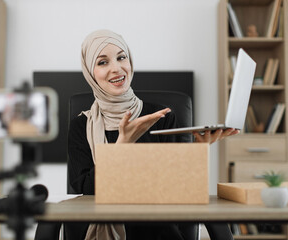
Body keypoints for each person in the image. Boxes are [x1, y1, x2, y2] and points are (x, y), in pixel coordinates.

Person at [67, 29, 238, 240]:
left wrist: (198, 150)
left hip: (157, 228)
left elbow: (178, 188)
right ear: (90, 72)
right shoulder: (81, 125)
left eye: (122, 57)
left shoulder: (161, 116)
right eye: (103, 62)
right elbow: (85, 189)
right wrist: (122, 146)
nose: (116, 68)